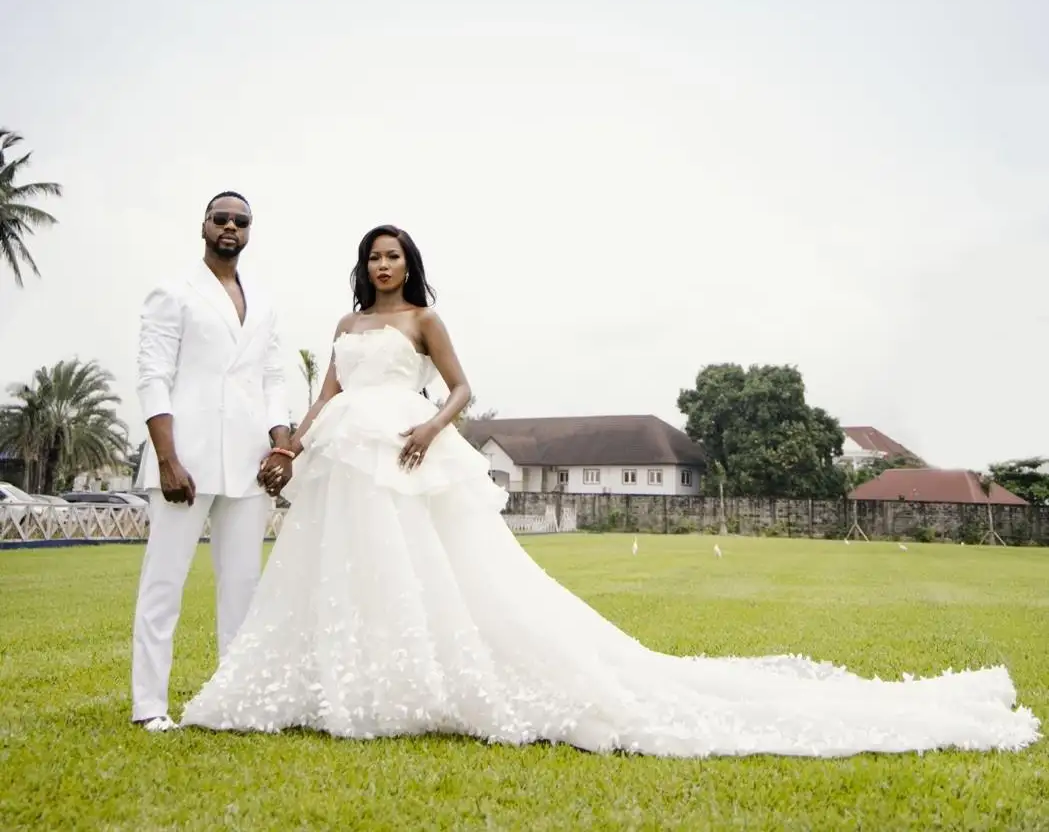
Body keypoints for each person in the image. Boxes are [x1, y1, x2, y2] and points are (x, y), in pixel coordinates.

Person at [182, 225, 1038, 756]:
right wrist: (292, 439)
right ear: (360, 268)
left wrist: (430, 429)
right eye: (372, 257)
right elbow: (328, 389)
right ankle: (336, 681)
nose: (382, 266)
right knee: (343, 568)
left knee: (426, 568)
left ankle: (416, 680)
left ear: (410, 266)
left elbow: (463, 390)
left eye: (394, 256)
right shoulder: (344, 326)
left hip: (406, 446)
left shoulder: (422, 322)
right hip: (344, 450)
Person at [131, 191, 290, 731]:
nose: (230, 226)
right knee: (164, 582)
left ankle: (234, 702)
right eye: (220, 217)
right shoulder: (173, 292)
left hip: (248, 463)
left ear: (250, 231)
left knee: (243, 586)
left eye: (240, 221)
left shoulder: (264, 301)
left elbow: (272, 379)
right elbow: (152, 376)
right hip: (186, 461)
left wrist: (282, 445)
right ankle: (149, 706)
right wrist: (167, 458)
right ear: (203, 225)